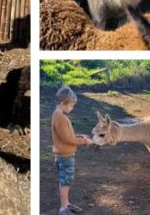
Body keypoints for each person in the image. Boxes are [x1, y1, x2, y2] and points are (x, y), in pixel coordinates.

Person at [52, 85, 93, 215]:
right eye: (71, 105)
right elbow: (68, 139)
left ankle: (66, 204)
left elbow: (67, 136)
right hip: (65, 156)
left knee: (63, 180)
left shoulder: (57, 115)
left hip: (61, 154)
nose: (72, 108)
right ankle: (63, 209)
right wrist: (84, 141)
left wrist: (80, 136)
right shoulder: (62, 118)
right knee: (66, 182)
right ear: (64, 103)